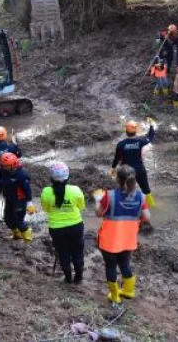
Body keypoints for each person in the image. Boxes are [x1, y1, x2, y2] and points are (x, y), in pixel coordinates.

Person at [93, 165, 151, 305]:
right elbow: (147, 217)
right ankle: (128, 291)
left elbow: (98, 213)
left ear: (117, 179)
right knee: (125, 264)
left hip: (109, 240)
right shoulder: (141, 196)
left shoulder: (109, 195)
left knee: (111, 266)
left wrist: (97, 199)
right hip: (128, 239)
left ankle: (115, 296)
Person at [41, 162, 85, 284]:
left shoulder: (46, 192)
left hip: (56, 228)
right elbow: (81, 206)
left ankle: (67, 278)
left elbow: (46, 209)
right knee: (77, 252)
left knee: (62, 252)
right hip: (76, 226)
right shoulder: (75, 190)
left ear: (51, 178)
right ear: (67, 177)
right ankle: (79, 278)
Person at [0, 153, 35, 241]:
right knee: (8, 219)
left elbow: (27, 190)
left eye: (6, 166)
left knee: (18, 221)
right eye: (3, 166)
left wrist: (30, 204)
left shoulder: (21, 175)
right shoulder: (4, 170)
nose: (4, 168)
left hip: (19, 201)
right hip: (9, 199)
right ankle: (16, 235)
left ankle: (28, 239)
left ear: (13, 165)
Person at [111, 119, 156, 208]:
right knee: (146, 189)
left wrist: (113, 168)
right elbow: (150, 137)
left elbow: (116, 158)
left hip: (125, 171)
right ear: (135, 132)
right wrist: (151, 125)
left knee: (124, 189)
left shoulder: (121, 144)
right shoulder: (141, 141)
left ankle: (124, 206)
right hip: (139, 170)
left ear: (126, 131)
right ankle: (151, 206)